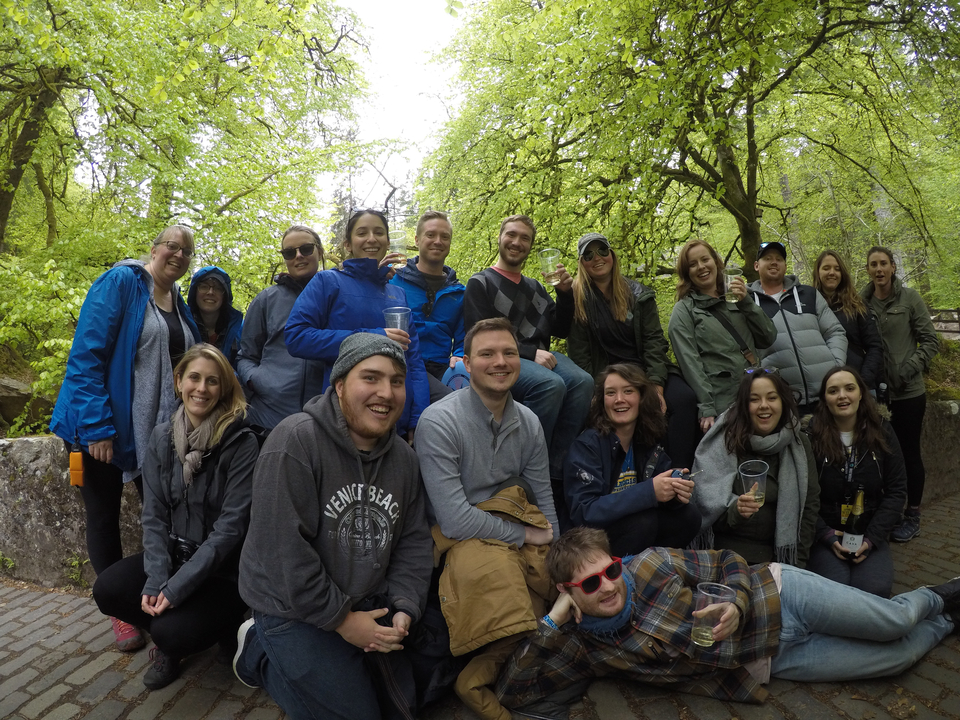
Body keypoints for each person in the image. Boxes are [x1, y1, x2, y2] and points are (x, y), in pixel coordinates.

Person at [495, 527, 958, 711]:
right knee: (896, 659)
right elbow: (514, 692)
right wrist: (552, 625)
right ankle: (950, 622)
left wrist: (735, 604)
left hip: (779, 595)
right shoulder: (584, 647)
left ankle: (942, 595)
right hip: (768, 660)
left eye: (610, 570)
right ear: (566, 592)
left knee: (894, 623)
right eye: (590, 584)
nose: (610, 585)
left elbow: (729, 561)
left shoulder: (652, 564)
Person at [233, 333, 433, 720]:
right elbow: (284, 552)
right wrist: (342, 621)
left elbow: (413, 542)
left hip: (366, 599)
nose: (387, 392)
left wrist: (406, 604)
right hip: (290, 608)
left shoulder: (404, 461)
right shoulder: (295, 440)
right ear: (339, 385)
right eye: (370, 378)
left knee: (406, 706)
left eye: (396, 380)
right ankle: (259, 651)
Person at [50, 224, 200, 651]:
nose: (178, 254)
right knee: (103, 517)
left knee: (164, 515)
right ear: (154, 249)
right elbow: (86, 355)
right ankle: (120, 611)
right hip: (102, 428)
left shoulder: (179, 304)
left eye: (187, 251)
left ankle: (162, 598)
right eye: (172, 245)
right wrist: (97, 428)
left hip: (152, 434)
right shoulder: (123, 282)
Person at [92, 344, 258, 689]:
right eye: (194, 378)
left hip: (224, 572)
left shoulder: (241, 444)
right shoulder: (161, 438)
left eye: (213, 381)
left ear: (223, 388)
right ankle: (174, 637)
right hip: (174, 556)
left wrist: (177, 587)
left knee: (172, 631)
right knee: (108, 589)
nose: (202, 388)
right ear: (179, 381)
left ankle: (220, 628)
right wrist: (157, 579)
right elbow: (153, 514)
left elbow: (230, 530)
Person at [463, 214, 593, 483]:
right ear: (499, 237)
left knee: (583, 381)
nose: (516, 242)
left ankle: (557, 466)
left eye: (525, 238)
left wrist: (566, 294)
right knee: (550, 385)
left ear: (530, 246)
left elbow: (560, 329)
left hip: (541, 356)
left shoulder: (534, 287)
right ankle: (526, 465)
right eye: (511, 234)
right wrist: (528, 353)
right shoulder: (481, 282)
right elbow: (480, 335)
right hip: (504, 359)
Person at [286, 209, 431, 438]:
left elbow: (412, 361)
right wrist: (374, 337)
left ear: (387, 241)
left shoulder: (397, 294)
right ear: (348, 244)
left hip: (396, 424)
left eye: (379, 232)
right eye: (362, 233)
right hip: (343, 421)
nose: (371, 239)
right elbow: (296, 338)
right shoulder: (327, 281)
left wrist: (418, 419)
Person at [417, 317, 558, 546]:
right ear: (468, 363)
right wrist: (526, 535)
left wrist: (555, 559)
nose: (500, 362)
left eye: (510, 353)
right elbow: (455, 521)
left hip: (512, 530)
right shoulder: (439, 422)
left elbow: (543, 500)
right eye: (487, 354)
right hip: (456, 545)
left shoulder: (529, 422)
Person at [568, 232, 699, 467]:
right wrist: (598, 390)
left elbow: (654, 342)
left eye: (602, 251)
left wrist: (656, 385)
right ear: (581, 264)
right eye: (588, 255)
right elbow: (580, 355)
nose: (596, 258)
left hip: (646, 369)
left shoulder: (640, 295)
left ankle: (680, 473)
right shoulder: (577, 301)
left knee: (684, 400)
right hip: (607, 375)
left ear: (612, 255)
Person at [563, 363, 701, 557]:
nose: (619, 400)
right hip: (590, 542)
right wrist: (650, 491)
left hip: (636, 530)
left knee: (689, 517)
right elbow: (584, 512)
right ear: (602, 401)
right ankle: (620, 575)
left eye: (628, 391)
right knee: (644, 522)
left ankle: (656, 569)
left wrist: (675, 492)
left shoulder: (648, 440)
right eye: (611, 393)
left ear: (642, 397)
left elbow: (661, 491)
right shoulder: (588, 445)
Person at [693, 369, 819, 567]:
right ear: (744, 405)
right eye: (754, 399)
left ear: (783, 402)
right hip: (722, 552)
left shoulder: (798, 443)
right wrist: (737, 510)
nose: (764, 406)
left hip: (774, 557)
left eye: (772, 398)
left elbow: (808, 508)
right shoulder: (724, 439)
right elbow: (704, 506)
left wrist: (793, 566)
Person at [861, 246, 939, 542]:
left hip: (908, 393)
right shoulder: (862, 303)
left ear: (893, 267)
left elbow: (930, 341)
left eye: (883, 264)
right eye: (873, 265)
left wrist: (908, 369)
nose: (879, 269)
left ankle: (914, 514)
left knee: (908, 453)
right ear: (868, 270)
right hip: (876, 395)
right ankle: (886, 514)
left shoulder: (910, 299)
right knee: (880, 455)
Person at [806, 367, 907, 597]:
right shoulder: (810, 437)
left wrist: (872, 539)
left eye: (849, 388)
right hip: (825, 533)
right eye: (833, 391)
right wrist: (826, 536)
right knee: (835, 590)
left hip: (869, 531)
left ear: (861, 393)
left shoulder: (883, 431)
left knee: (875, 590)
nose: (842, 395)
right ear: (824, 399)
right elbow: (803, 496)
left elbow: (897, 490)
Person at [668, 240, 778, 434]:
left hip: (755, 394)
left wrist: (747, 303)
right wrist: (707, 407)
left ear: (716, 262)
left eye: (705, 259)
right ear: (687, 272)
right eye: (693, 264)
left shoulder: (739, 297)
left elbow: (768, 336)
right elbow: (690, 363)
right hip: (722, 404)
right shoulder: (684, 310)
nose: (701, 267)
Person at [236, 225, 327, 430]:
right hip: (268, 419)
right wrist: (257, 380)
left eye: (306, 249)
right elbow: (246, 356)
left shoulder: (336, 295)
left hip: (324, 419)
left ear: (320, 252)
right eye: (289, 252)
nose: (298, 256)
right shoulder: (266, 300)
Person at [747, 241, 847, 413]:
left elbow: (835, 332)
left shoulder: (808, 294)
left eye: (779, 259)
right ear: (756, 265)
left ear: (785, 266)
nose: (774, 262)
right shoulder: (747, 303)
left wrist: (835, 366)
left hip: (827, 395)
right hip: (784, 400)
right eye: (768, 258)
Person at [389, 210, 464, 402]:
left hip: (443, 368)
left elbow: (465, 336)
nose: (438, 241)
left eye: (444, 236)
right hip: (400, 363)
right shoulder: (393, 281)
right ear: (416, 240)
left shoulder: (459, 292)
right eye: (430, 235)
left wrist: (460, 355)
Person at [811, 251, 883, 391]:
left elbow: (874, 346)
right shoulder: (808, 306)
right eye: (826, 268)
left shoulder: (857, 305)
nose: (832, 272)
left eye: (837, 269)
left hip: (859, 383)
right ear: (817, 272)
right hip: (823, 387)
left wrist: (862, 381)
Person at [187, 266, 243, 367]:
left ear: (224, 296)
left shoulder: (240, 330)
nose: (210, 292)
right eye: (204, 286)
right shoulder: (182, 325)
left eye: (218, 288)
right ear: (194, 293)